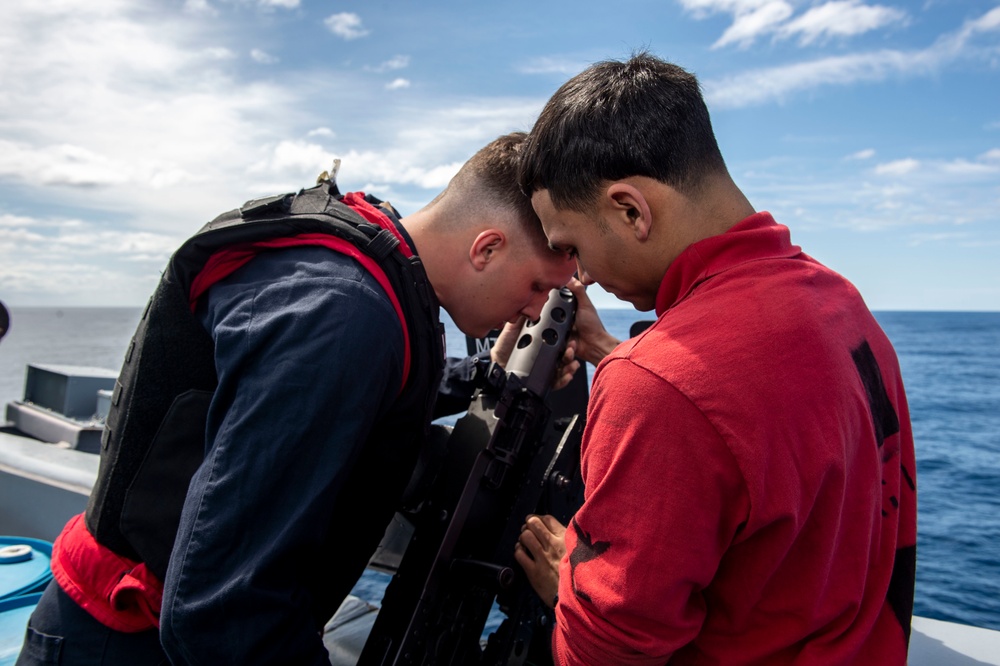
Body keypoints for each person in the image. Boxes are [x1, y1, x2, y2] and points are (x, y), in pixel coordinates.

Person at [17, 132, 576, 665]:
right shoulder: (342, 313)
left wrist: (487, 372)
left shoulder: (369, 265)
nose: (533, 312)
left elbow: (358, 395)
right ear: (487, 248)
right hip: (125, 642)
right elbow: (223, 606)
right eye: (535, 288)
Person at [513, 53, 916, 665]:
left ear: (630, 209)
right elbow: (745, 427)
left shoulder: (657, 386)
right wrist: (608, 352)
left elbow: (606, 656)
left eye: (572, 247)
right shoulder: (842, 308)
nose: (585, 277)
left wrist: (569, 584)